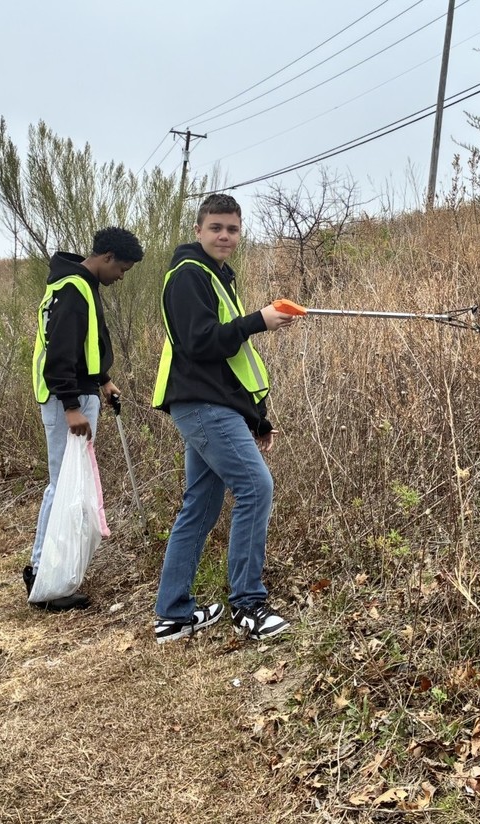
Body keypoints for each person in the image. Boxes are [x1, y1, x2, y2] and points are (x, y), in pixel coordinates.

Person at [151, 193, 297, 643]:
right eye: (216, 227)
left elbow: (229, 364)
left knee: (201, 504)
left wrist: (258, 418)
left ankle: (173, 615)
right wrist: (258, 320)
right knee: (256, 486)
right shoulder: (188, 276)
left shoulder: (216, 278)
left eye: (232, 229)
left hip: (211, 404)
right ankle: (248, 606)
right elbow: (200, 344)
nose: (225, 236)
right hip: (200, 407)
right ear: (198, 230)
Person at [25, 227, 145, 611]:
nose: (121, 278)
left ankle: (51, 570)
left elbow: (87, 342)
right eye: (122, 269)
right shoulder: (75, 289)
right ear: (107, 257)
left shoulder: (79, 283)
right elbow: (60, 352)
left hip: (81, 390)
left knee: (67, 484)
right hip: (68, 399)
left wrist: (104, 380)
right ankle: (44, 574)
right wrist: (72, 405)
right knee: (61, 485)